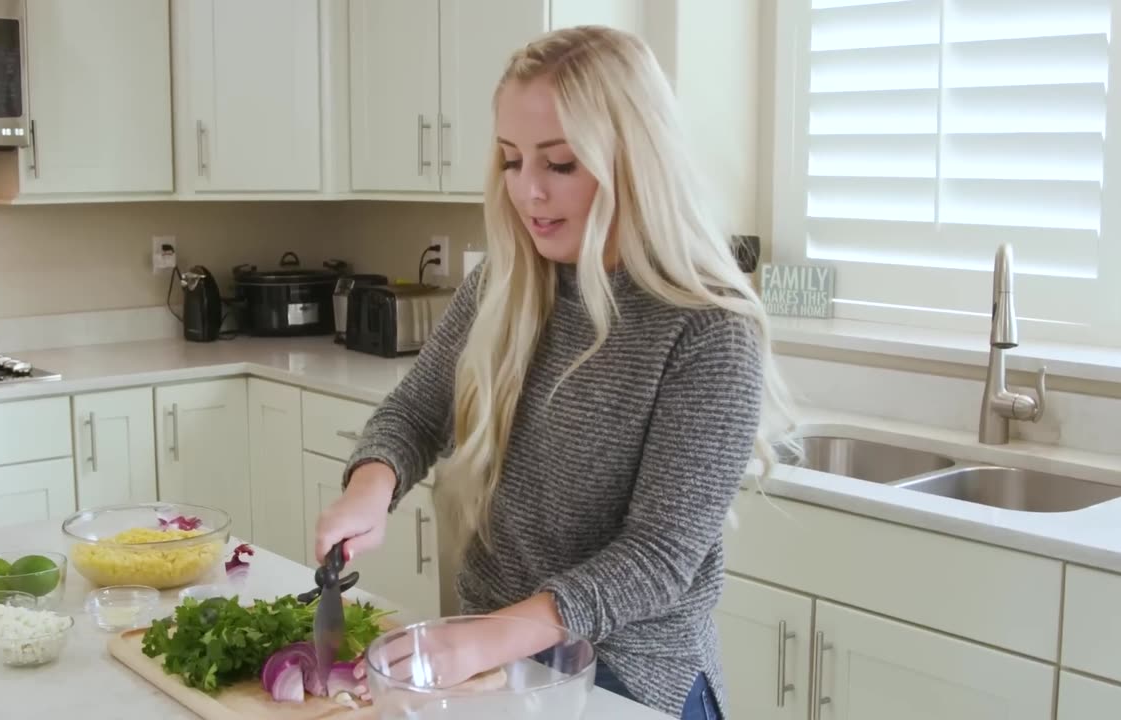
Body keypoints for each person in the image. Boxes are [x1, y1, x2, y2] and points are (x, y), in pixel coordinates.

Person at [313, 24, 794, 720]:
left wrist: (489, 639)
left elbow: (658, 558)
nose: (527, 192)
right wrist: (370, 487)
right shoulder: (505, 288)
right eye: (510, 161)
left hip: (631, 685)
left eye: (560, 164)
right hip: (500, 666)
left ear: (636, 159)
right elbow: (413, 415)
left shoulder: (709, 329)